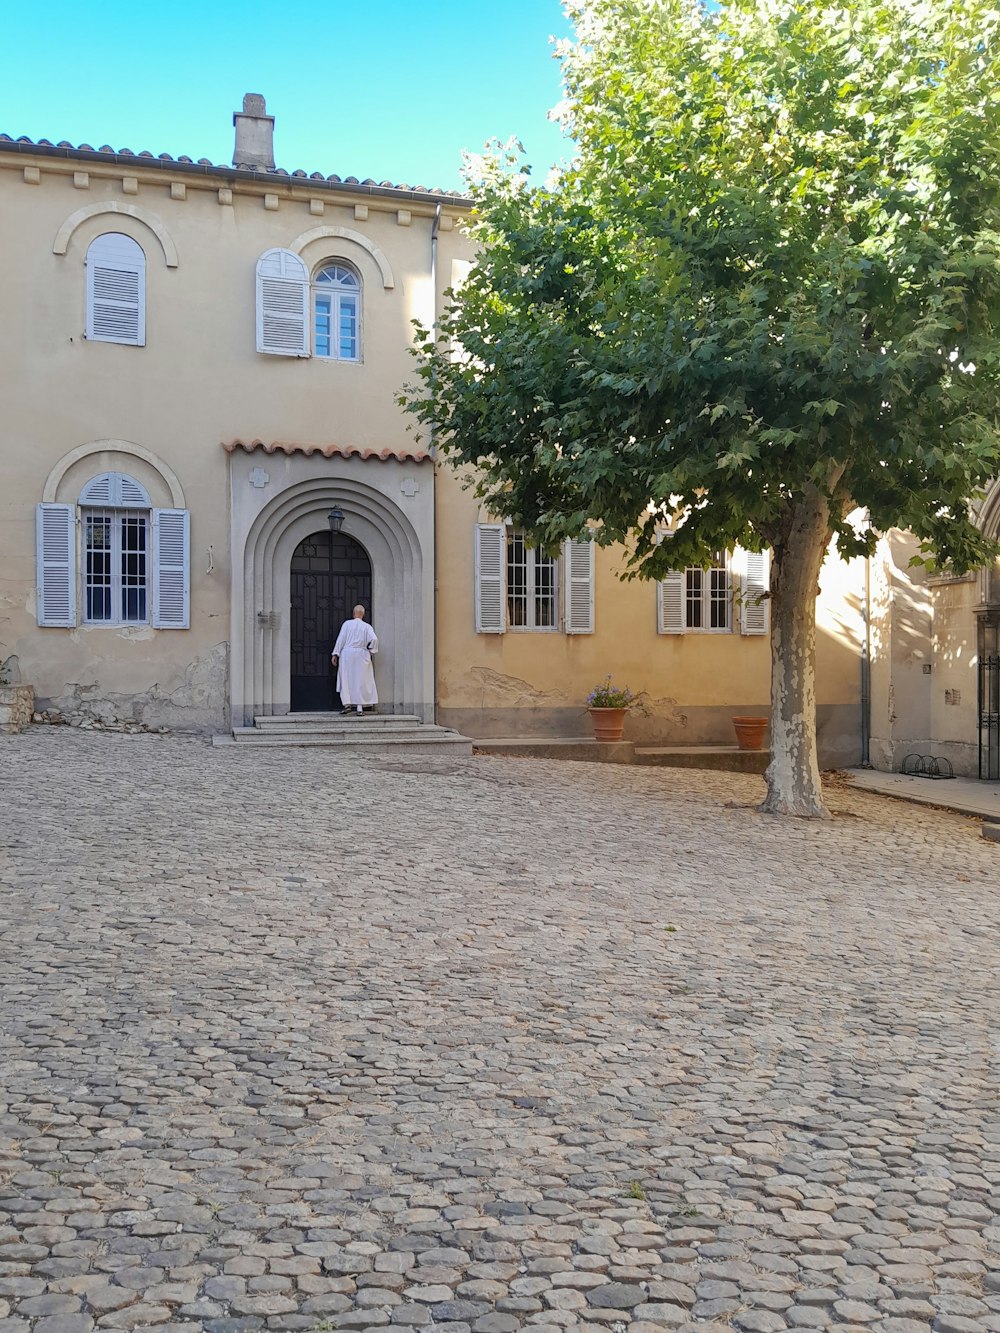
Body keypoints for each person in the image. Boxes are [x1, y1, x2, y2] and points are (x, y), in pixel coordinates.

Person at [331, 605, 378, 715]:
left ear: (353, 614)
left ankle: (347, 705)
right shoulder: (367, 627)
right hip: (362, 654)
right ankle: (359, 708)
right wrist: (371, 651)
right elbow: (374, 639)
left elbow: (341, 639)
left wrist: (335, 653)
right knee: (360, 680)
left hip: (347, 654)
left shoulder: (347, 624)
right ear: (363, 614)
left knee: (347, 679)